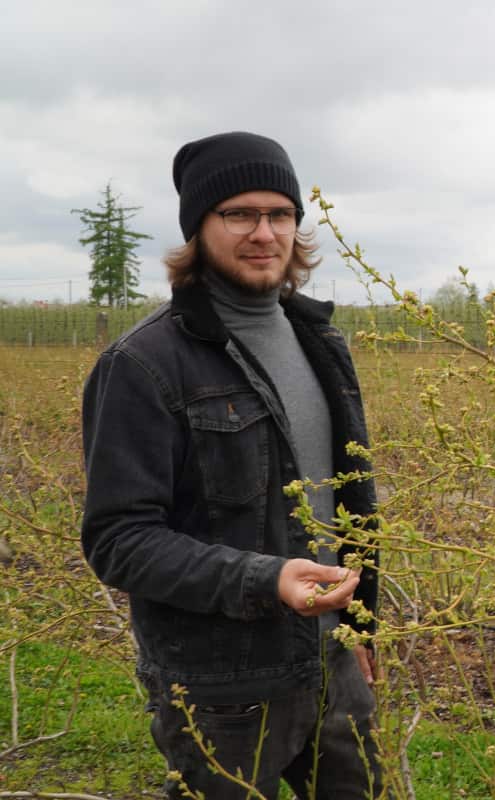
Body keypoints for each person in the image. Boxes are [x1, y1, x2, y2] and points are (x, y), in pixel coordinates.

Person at [81, 132, 384, 798]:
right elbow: (118, 539)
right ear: (199, 229)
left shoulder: (321, 341)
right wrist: (266, 578)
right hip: (224, 689)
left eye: (280, 214)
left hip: (333, 665)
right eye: (238, 214)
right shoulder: (142, 365)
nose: (264, 232)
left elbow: (351, 503)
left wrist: (361, 625)